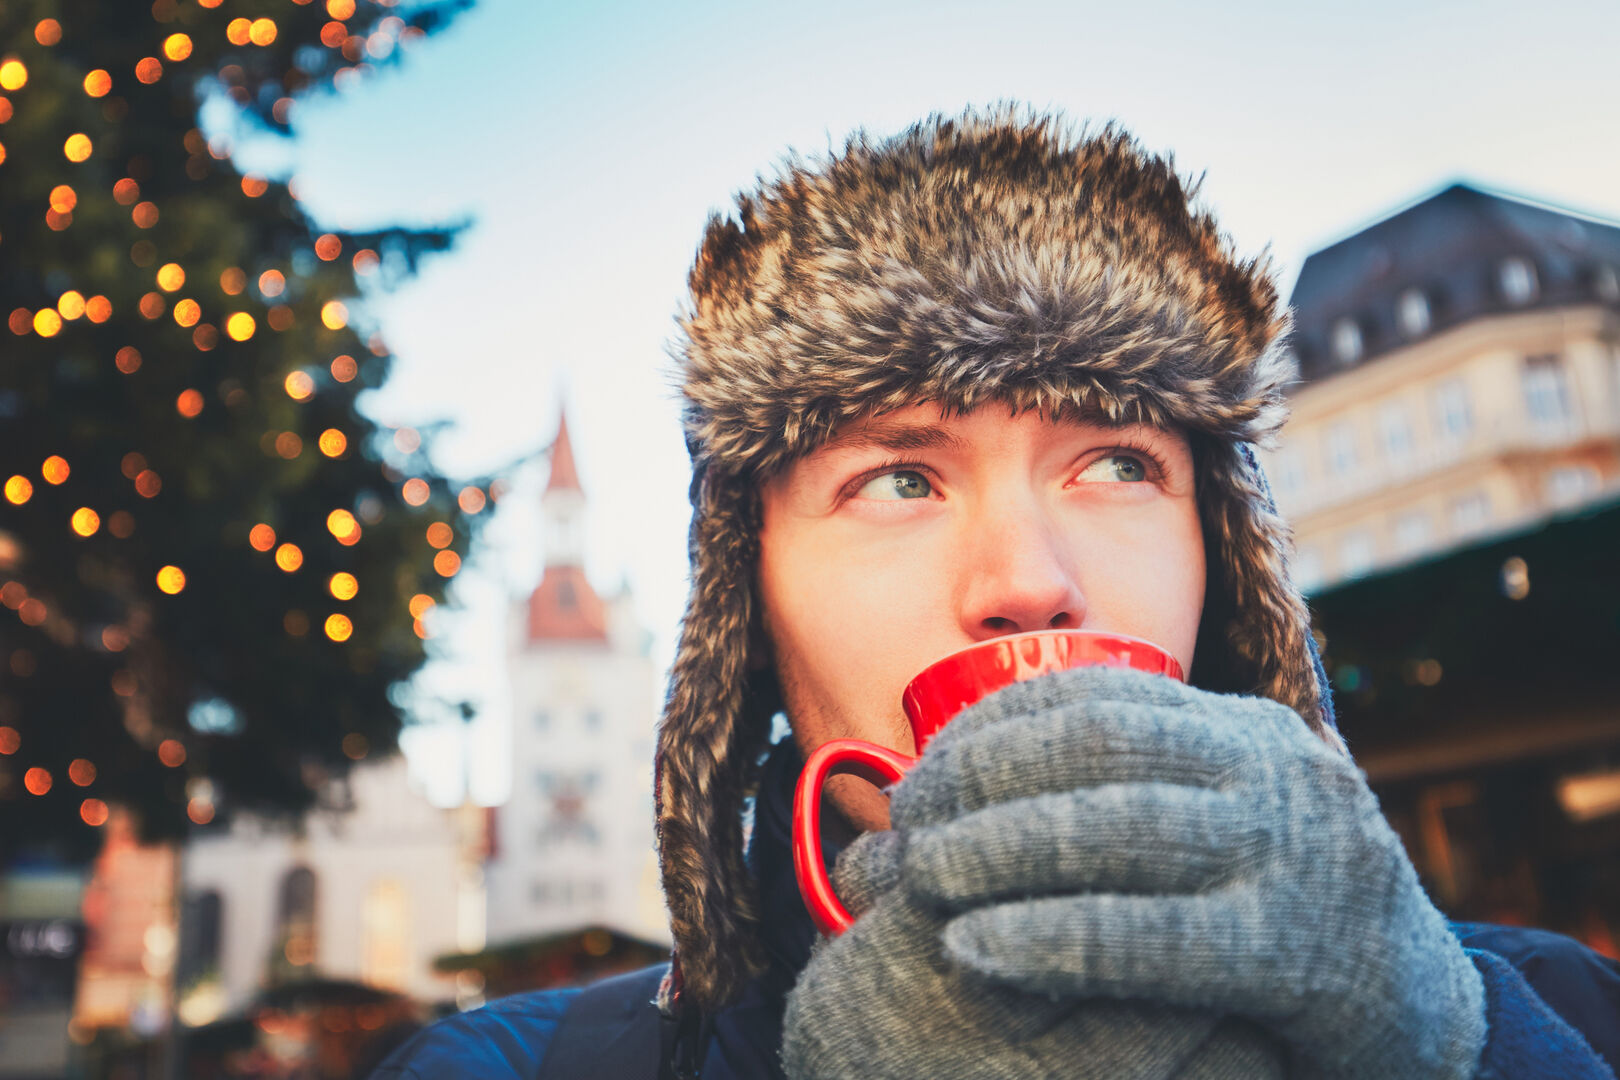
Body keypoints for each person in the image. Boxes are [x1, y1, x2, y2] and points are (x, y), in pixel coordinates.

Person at [372, 109, 1620, 1080]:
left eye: (1119, 463)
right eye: (901, 479)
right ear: (749, 612)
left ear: (1226, 567)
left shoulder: (1548, 1012)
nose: (1029, 582)